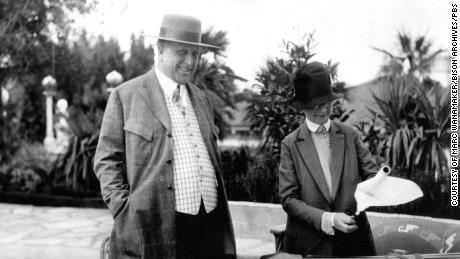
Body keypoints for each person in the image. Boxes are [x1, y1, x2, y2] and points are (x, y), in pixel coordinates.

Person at [94, 14, 236, 259]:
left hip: (209, 228)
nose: (190, 61)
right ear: (159, 50)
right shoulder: (125, 96)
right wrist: (124, 212)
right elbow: (106, 161)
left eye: (195, 54)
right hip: (156, 230)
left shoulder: (201, 99)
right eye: (182, 52)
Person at [278, 61, 378, 257]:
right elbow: (288, 199)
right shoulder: (290, 144)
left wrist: (380, 182)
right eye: (314, 106)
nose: (322, 111)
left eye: (326, 103)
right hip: (309, 246)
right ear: (302, 107)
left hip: (354, 243)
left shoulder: (350, 135)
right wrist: (328, 219)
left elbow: (372, 176)